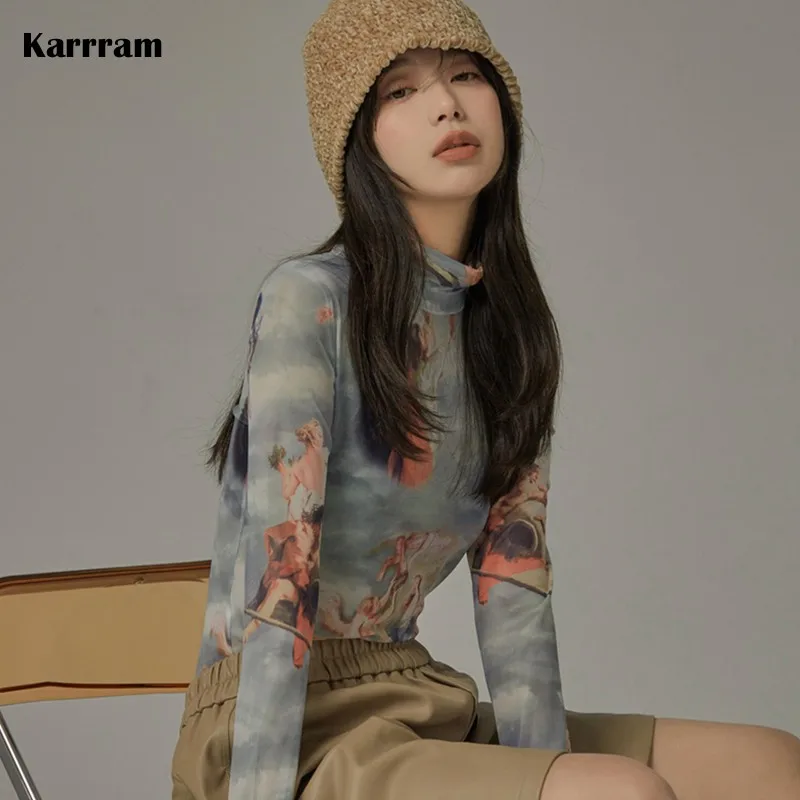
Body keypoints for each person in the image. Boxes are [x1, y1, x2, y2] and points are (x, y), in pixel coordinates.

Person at [170, 1, 800, 798]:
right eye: (400, 91)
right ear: (357, 138)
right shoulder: (310, 300)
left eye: (466, 75)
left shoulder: (506, 329)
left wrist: (548, 773)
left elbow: (514, 595)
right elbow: (278, 587)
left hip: (414, 698)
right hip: (283, 734)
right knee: (623, 792)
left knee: (770, 764)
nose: (447, 104)